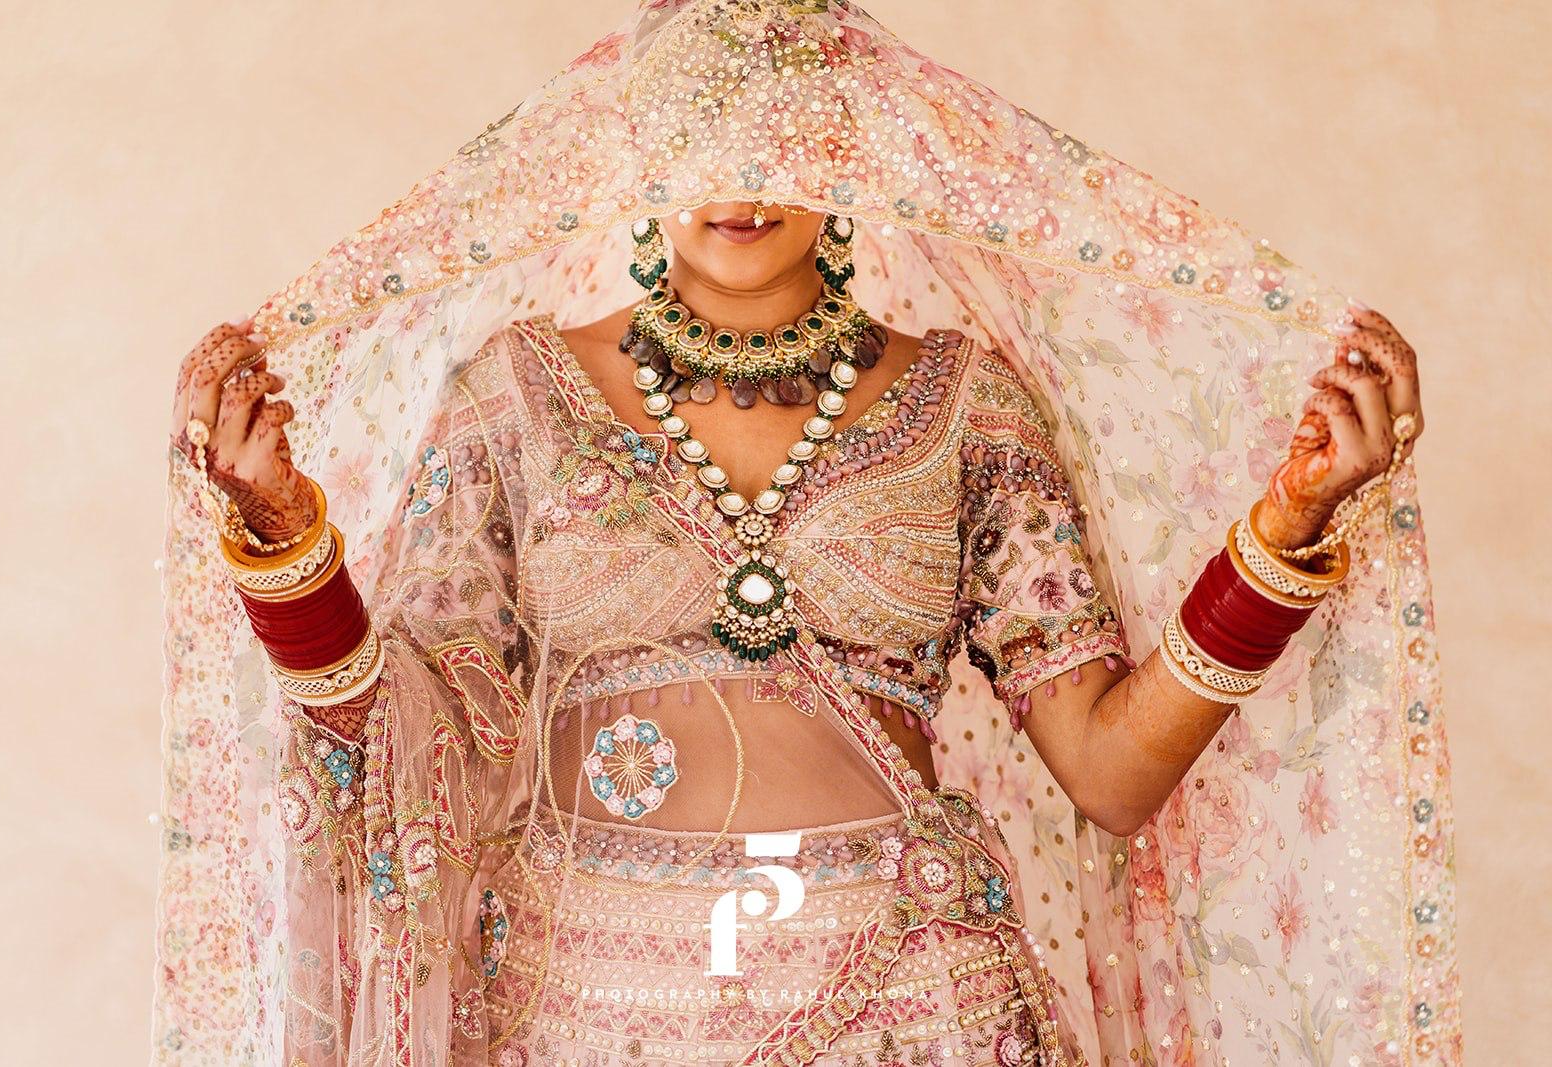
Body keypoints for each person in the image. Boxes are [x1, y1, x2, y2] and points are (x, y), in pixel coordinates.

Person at [156, 2, 1454, 1065]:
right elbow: (409, 750)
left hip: (916, 1003)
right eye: (702, 123)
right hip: (586, 1010)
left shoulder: (966, 407)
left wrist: (1283, 536)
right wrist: (287, 544)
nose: (743, 173)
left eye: (784, 122)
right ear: (634, 142)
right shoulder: (517, 397)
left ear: (854, 139)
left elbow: (1112, 774)